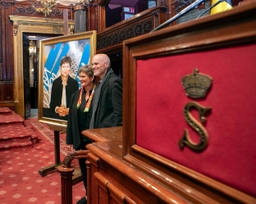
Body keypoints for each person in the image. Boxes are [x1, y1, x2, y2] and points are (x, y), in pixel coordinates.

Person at [66, 65, 96, 204]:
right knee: (84, 169)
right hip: (80, 140)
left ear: (91, 77)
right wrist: (71, 140)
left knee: (95, 169)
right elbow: (71, 119)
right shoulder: (75, 95)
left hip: (94, 141)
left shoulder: (98, 95)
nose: (81, 79)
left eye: (84, 76)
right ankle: (88, 194)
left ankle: (95, 195)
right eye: (80, 76)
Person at [89, 53, 122, 129]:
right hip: (98, 129)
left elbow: (119, 114)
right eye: (92, 64)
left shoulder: (114, 82)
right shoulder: (100, 82)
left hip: (107, 132)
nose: (93, 67)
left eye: (96, 64)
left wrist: (113, 134)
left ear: (106, 65)